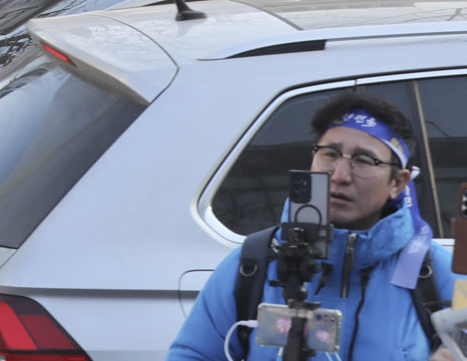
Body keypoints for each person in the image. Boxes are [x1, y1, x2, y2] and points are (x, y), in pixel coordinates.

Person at [169, 91, 454, 361]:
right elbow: (193, 354)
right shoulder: (254, 264)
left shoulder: (434, 273)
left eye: (364, 160)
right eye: (329, 154)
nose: (340, 175)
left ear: (398, 183)